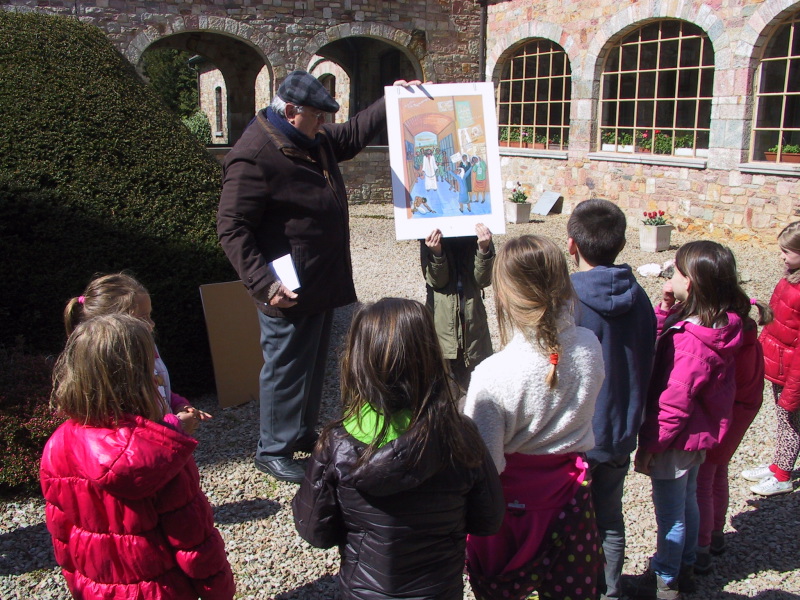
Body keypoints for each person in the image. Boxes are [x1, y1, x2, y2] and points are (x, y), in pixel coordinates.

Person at [217, 71, 419, 483]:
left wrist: (390, 99)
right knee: (286, 366)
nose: (324, 124)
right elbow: (231, 227)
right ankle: (272, 449)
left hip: (318, 278)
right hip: (285, 287)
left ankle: (300, 433)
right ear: (290, 112)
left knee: (310, 364)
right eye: (317, 115)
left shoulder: (311, 139)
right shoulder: (254, 155)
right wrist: (265, 284)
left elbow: (353, 132)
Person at [292, 298, 504, 600]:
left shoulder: (336, 444)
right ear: (431, 355)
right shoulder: (460, 436)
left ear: (358, 360)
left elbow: (314, 530)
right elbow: (489, 519)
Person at [41, 313, 235, 600]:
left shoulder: (56, 446)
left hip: (96, 590)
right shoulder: (162, 456)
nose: (157, 375)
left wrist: (77, 585)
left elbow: (61, 534)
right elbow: (194, 542)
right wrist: (219, 592)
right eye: (150, 368)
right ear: (138, 378)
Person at [462, 235, 605, 600]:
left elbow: (487, 465)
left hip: (512, 513)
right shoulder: (590, 345)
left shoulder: (492, 375)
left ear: (506, 296)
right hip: (570, 497)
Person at [629, 241, 748, 600]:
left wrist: (651, 445)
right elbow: (667, 337)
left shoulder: (691, 343)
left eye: (677, 270)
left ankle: (666, 579)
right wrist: (666, 311)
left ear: (692, 283)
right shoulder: (719, 325)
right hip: (700, 435)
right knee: (689, 502)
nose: (671, 274)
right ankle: (691, 563)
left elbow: (673, 402)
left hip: (676, 441)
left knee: (671, 515)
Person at [566, 199, 657, 600]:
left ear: (571, 245)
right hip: (621, 429)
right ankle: (610, 591)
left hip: (579, 434)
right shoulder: (641, 298)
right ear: (621, 243)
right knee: (609, 517)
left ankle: (575, 588)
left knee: (570, 522)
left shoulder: (567, 300)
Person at [63, 273, 209, 435]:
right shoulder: (115, 371)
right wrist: (175, 424)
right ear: (111, 326)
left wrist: (179, 404)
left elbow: (160, 390)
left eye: (150, 315)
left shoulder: (146, 350)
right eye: (142, 318)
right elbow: (130, 433)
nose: (152, 324)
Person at [695, 298, 772, 573]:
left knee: (703, 480)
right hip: (741, 414)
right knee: (718, 472)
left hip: (724, 417)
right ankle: (715, 535)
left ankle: (701, 548)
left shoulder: (734, 344)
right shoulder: (751, 337)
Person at [742, 220, 800, 496]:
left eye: (787, 252)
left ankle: (784, 475)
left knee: (791, 422)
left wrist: (793, 388)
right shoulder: (789, 279)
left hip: (793, 373)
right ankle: (777, 464)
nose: (782, 256)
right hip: (782, 365)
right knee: (782, 419)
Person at [421, 223, 494, 395]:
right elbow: (437, 281)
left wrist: (483, 249)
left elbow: (483, 280)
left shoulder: (481, 234)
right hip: (443, 325)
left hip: (473, 321)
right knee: (443, 386)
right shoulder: (428, 233)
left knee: (475, 386)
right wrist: (437, 253)